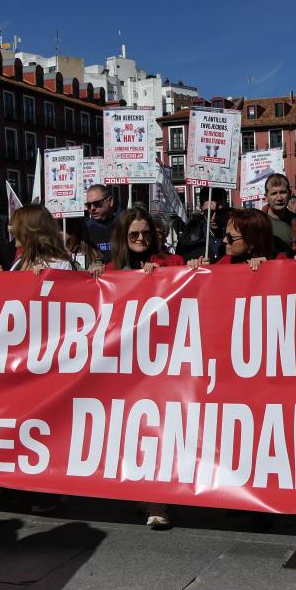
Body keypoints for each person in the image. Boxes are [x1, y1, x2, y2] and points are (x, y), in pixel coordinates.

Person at [102, 207, 184, 528]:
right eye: (134, 234)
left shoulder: (171, 263)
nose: (140, 239)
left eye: (146, 234)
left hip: (164, 361)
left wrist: (185, 270)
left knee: (159, 429)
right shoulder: (111, 269)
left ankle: (157, 500)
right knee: (132, 428)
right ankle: (142, 492)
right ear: (123, 237)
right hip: (126, 364)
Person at [190, 208, 275, 270]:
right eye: (225, 235)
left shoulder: (282, 261)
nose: (224, 240)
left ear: (252, 242)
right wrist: (198, 269)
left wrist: (271, 268)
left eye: (231, 237)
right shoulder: (225, 262)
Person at [9, 204, 77, 272]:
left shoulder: (59, 263)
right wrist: (0, 276)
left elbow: (68, 282)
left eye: (16, 228)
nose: (12, 232)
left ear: (30, 231)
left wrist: (43, 277)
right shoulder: (20, 261)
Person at [260, 174, 296, 257]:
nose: (279, 198)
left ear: (290, 194)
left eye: (283, 192)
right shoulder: (256, 223)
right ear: (266, 197)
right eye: (274, 193)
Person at [83, 184, 120, 262]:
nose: (92, 208)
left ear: (110, 201)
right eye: (88, 205)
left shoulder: (125, 222)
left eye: (97, 203)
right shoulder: (86, 229)